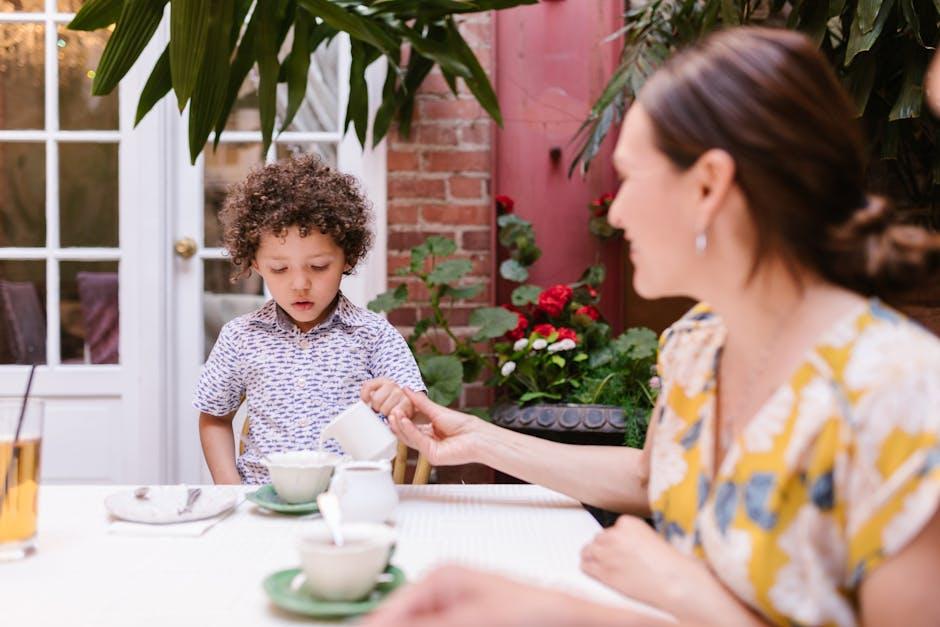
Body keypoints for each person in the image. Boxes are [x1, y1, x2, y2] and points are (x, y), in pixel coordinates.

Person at [364, 27, 940, 627]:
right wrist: (479, 440)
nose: (615, 210)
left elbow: (686, 593)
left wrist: (682, 591)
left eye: (630, 177)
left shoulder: (901, 396)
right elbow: (651, 473)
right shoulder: (698, 344)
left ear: (709, 186)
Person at [195, 155, 425, 484]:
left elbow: (418, 408)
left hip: (350, 499)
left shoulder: (372, 335)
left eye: (318, 267)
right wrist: (231, 491)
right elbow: (214, 417)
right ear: (256, 264)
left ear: (348, 257)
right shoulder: (240, 338)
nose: (300, 284)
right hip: (265, 504)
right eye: (279, 269)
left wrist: (402, 400)